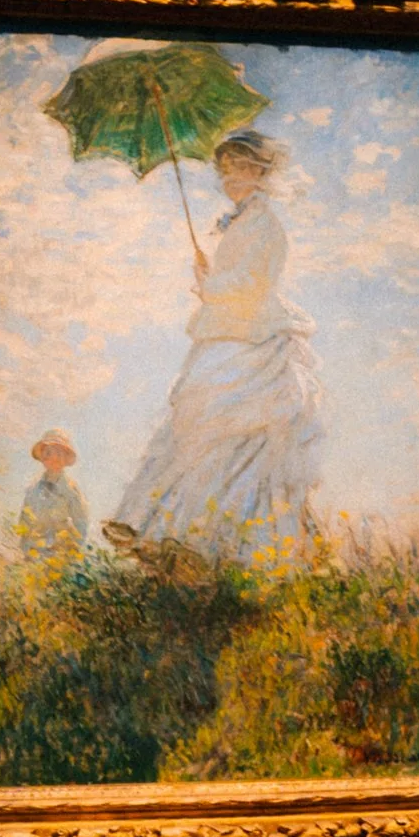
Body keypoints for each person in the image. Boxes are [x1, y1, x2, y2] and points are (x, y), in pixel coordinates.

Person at [105, 132, 326, 562]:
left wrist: (213, 285)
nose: (229, 179)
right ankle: (157, 526)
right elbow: (232, 280)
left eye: (239, 169)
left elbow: (254, 285)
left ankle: (213, 544)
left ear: (259, 173)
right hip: (224, 334)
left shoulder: (266, 226)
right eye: (225, 171)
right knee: (194, 425)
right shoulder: (239, 223)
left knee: (238, 437)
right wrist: (210, 277)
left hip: (250, 341)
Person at [13, 429, 87, 552]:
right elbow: (24, 524)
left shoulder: (71, 490)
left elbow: (81, 524)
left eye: (59, 453)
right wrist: (25, 551)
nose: (53, 458)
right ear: (42, 458)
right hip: (34, 554)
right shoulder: (33, 490)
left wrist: (71, 551)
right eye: (48, 453)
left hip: (61, 555)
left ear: (66, 458)